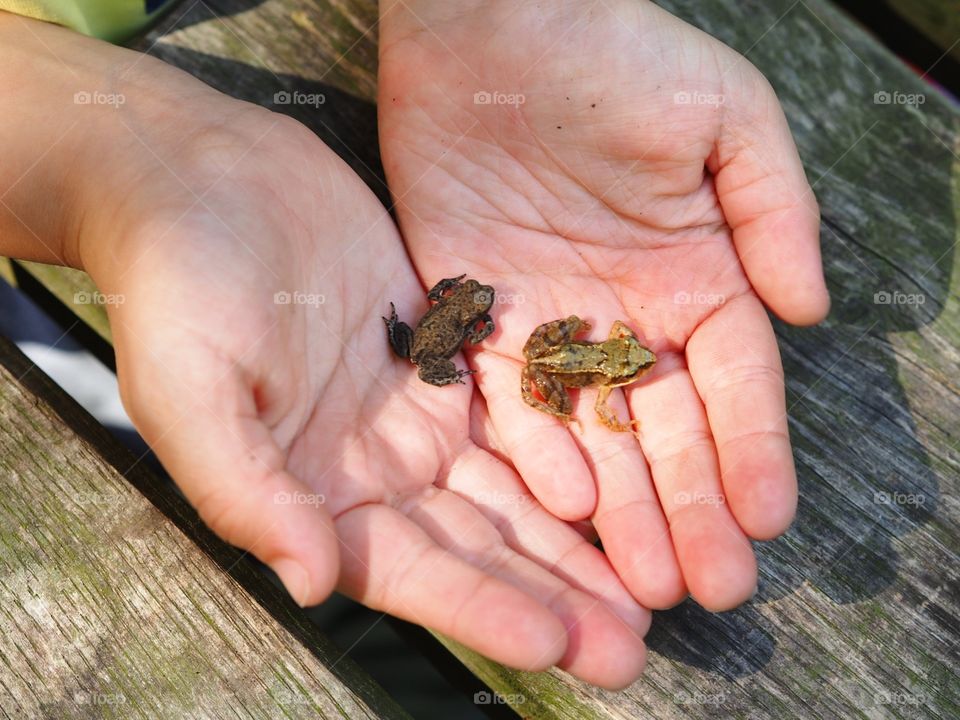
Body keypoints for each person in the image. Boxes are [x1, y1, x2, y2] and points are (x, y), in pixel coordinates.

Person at [0, 0, 829, 689]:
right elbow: (521, 353)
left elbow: (522, 343)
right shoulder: (516, 350)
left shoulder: (530, 342)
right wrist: (114, 167)